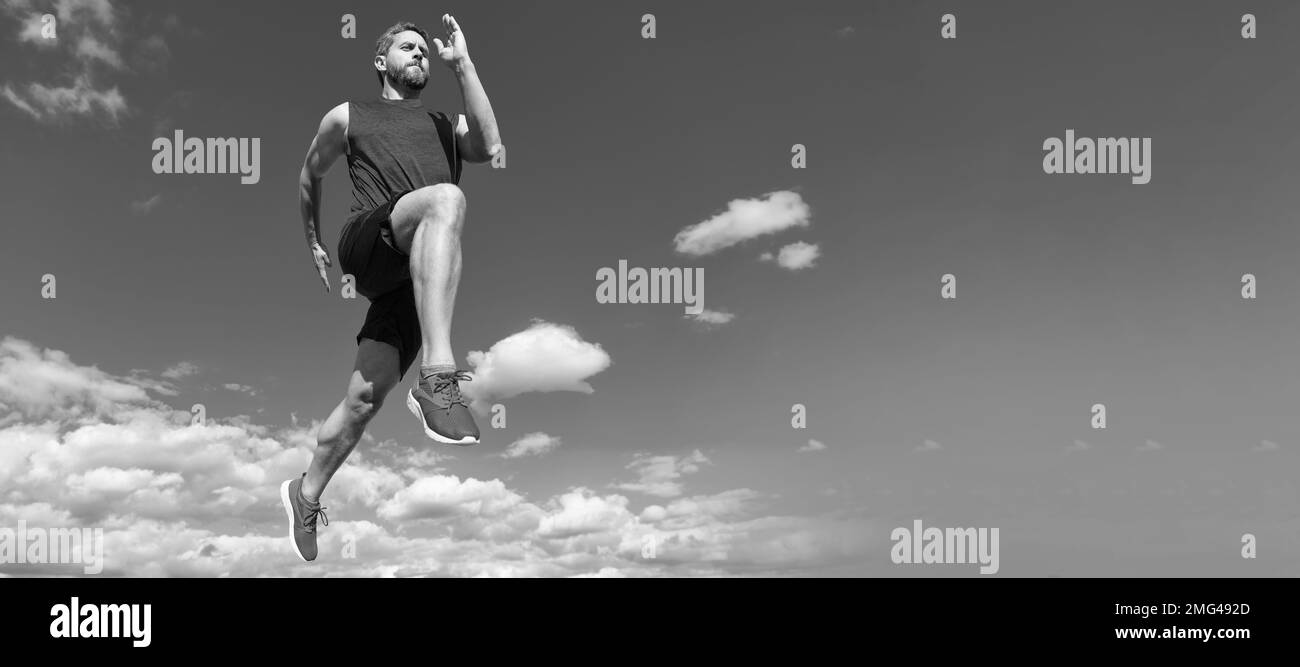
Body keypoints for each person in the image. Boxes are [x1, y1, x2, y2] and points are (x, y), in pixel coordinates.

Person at [281, 15, 503, 562]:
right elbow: (309, 176)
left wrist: (464, 64)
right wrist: (312, 240)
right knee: (446, 198)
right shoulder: (349, 115)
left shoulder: (444, 124)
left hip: (411, 277)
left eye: (427, 52)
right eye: (410, 48)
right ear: (381, 61)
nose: (421, 55)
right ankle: (437, 378)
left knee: (363, 399)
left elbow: (490, 145)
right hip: (369, 240)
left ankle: (305, 493)